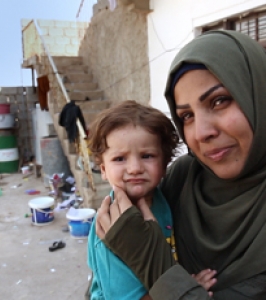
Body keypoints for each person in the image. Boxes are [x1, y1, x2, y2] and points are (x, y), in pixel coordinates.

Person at [95, 30, 266, 299]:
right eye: (187, 115)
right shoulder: (181, 179)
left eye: (219, 100)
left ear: (263, 98)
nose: (201, 132)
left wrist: (156, 267)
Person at [86, 100, 217, 299]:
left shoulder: (163, 200)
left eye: (147, 156)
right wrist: (186, 289)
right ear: (103, 169)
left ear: (165, 165)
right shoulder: (109, 226)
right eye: (120, 159)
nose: (135, 168)